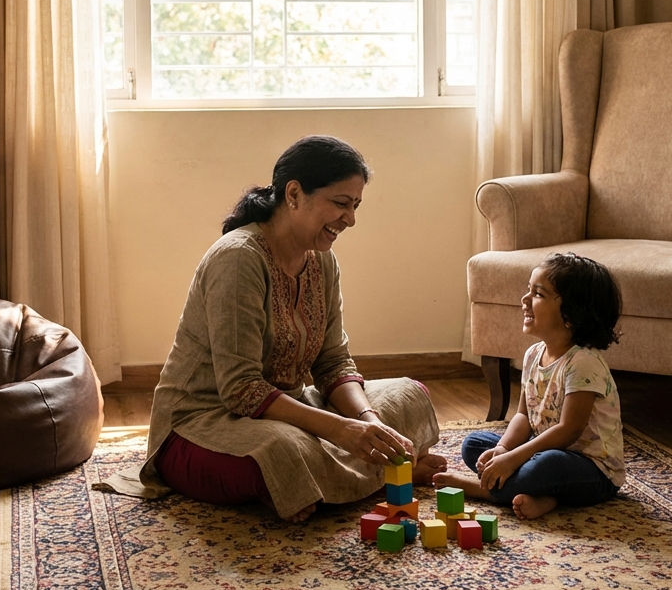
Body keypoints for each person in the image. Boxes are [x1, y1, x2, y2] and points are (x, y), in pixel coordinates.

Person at [98, 135, 445, 522]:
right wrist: (342, 433)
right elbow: (241, 389)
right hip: (203, 424)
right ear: (294, 194)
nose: (351, 219)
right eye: (341, 204)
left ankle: (333, 480)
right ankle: (370, 475)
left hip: (289, 405)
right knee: (280, 451)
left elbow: (333, 362)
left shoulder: (323, 262)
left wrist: (367, 422)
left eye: (356, 206)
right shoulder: (238, 259)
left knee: (407, 395)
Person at [434, 252, 625, 520]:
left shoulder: (584, 362)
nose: (524, 300)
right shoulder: (533, 354)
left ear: (572, 313)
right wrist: (502, 450)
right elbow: (523, 415)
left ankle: (482, 489)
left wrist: (513, 459)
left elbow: (568, 431)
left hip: (591, 469)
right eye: (528, 290)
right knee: (475, 445)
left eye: (538, 294)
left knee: (545, 467)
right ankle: (544, 497)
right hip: (542, 449)